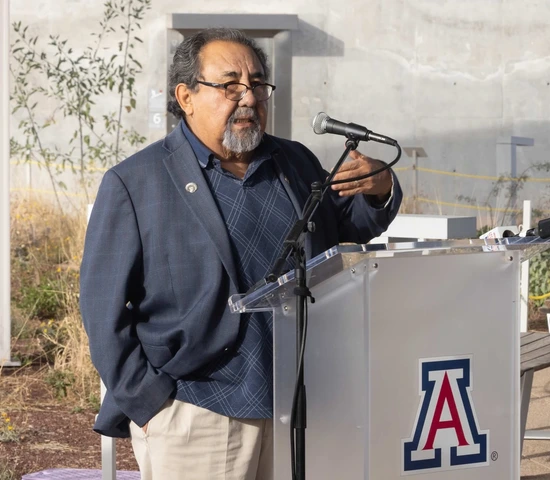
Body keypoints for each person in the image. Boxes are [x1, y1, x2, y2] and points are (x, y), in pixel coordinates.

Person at [80, 28, 402, 480]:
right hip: (195, 409)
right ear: (186, 96)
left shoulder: (295, 163)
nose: (248, 97)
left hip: (299, 399)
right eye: (230, 85)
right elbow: (102, 308)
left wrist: (379, 190)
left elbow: (343, 233)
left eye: (257, 84)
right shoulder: (137, 183)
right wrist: (149, 401)